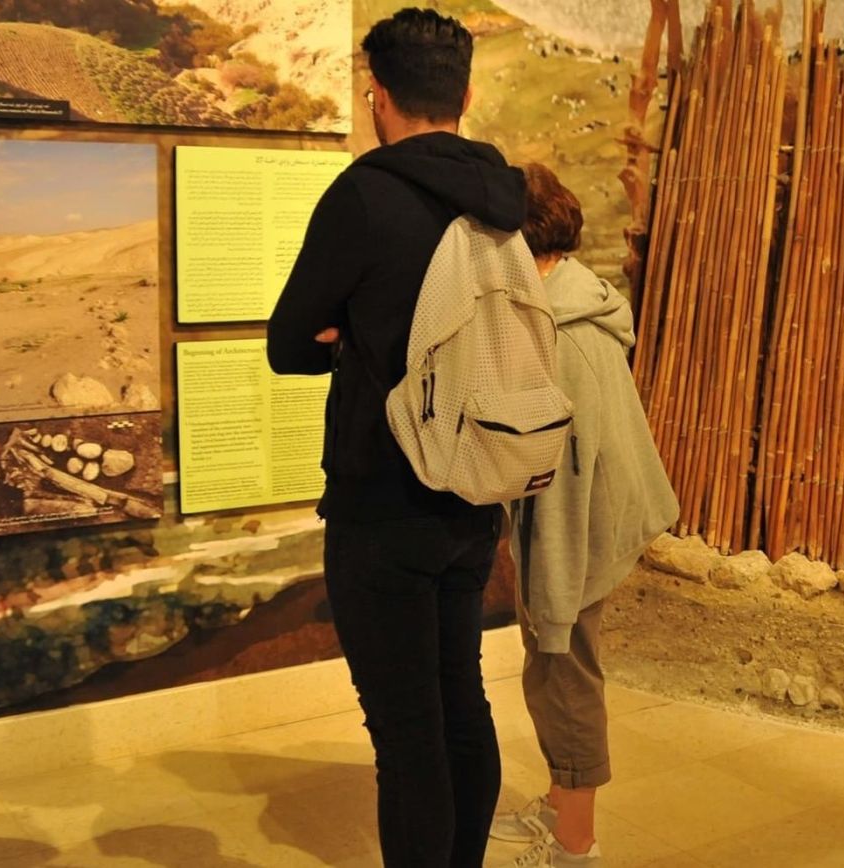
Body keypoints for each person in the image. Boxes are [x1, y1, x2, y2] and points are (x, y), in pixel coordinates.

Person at [266, 9, 529, 867]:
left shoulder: (365, 194)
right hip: (475, 487)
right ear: (468, 93)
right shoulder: (504, 198)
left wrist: (350, 336)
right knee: (462, 705)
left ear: (377, 96)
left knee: (407, 734)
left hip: (383, 498)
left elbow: (286, 344)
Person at [491, 164, 679, 867]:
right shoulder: (572, 298)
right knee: (554, 668)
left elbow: (568, 478)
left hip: (582, 521)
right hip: (603, 503)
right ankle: (557, 803)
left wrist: (553, 593)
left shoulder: (559, 338)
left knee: (562, 671)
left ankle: (575, 843)